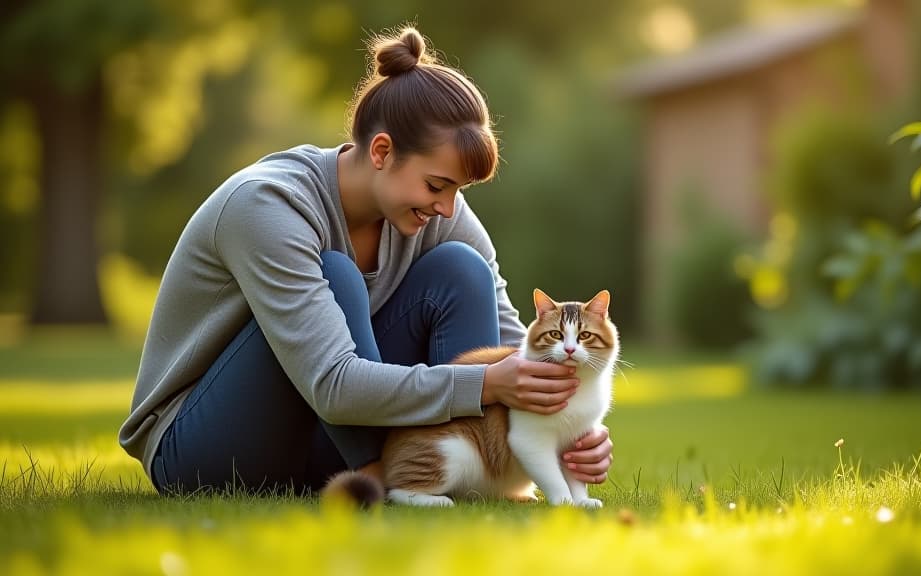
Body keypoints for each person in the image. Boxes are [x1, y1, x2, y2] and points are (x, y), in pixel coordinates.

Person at [118, 26, 614, 496]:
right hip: (201, 447)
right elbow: (334, 384)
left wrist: (569, 423)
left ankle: (445, 474)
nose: (446, 206)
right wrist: (483, 384)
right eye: (438, 185)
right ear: (381, 151)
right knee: (338, 274)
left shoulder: (437, 209)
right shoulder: (268, 205)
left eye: (457, 191)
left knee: (463, 268)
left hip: (319, 437)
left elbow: (510, 343)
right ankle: (387, 475)